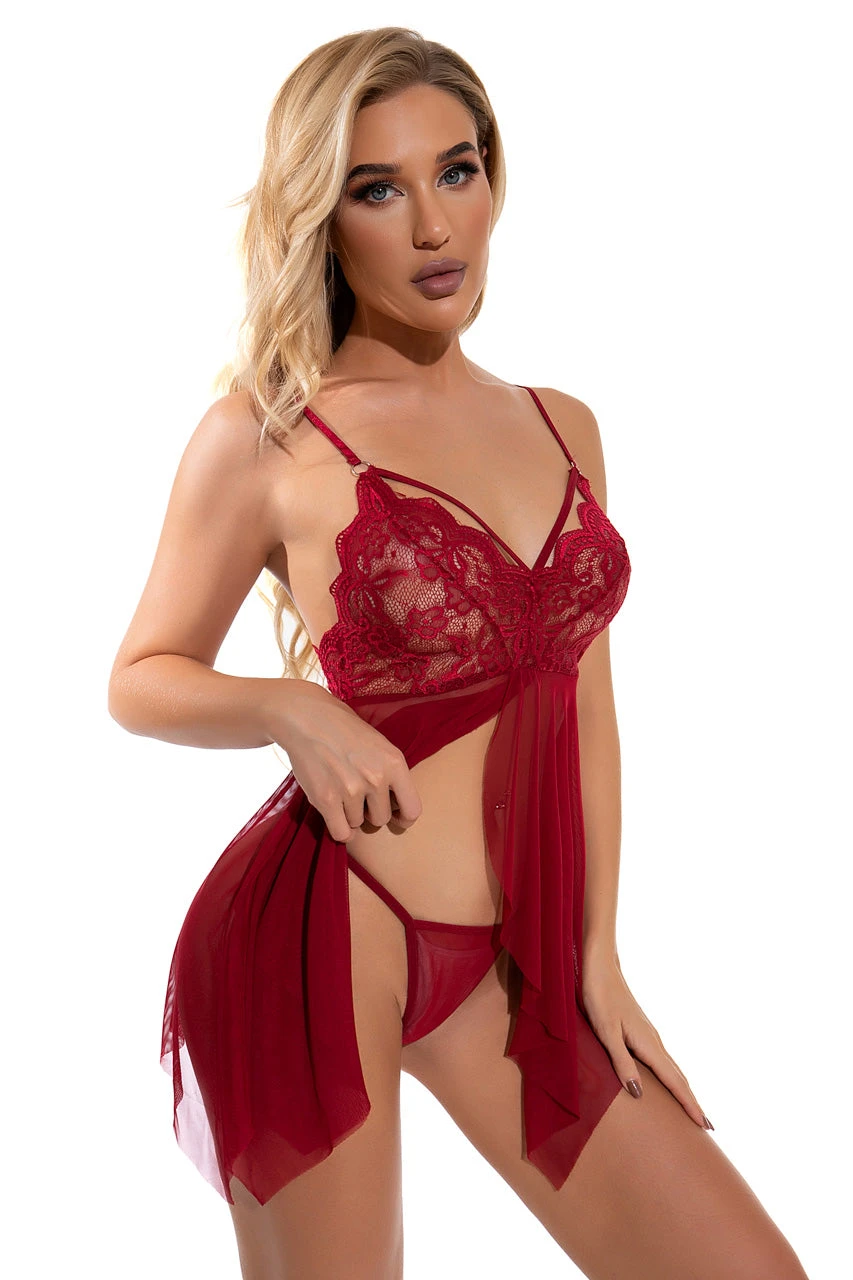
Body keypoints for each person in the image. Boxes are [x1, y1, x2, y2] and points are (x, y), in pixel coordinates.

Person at [108, 26, 810, 1280]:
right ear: (323, 220)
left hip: (517, 956)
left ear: (494, 179)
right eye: (378, 189)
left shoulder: (564, 425)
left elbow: (586, 699)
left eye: (457, 170)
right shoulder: (268, 434)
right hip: (322, 928)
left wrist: (596, 953)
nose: (434, 226)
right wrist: (289, 708)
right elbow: (141, 675)